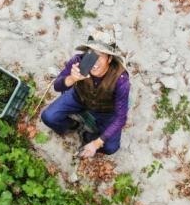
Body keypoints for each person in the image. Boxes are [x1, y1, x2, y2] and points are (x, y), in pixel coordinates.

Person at [41, 26, 131, 158]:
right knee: (48, 117)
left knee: (111, 147)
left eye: (100, 56)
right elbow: (57, 86)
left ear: (110, 59)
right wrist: (71, 79)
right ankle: (72, 125)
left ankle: (88, 136)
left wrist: (97, 143)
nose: (94, 61)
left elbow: (120, 117)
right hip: (79, 97)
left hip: (105, 110)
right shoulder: (78, 61)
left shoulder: (121, 80)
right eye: (91, 54)